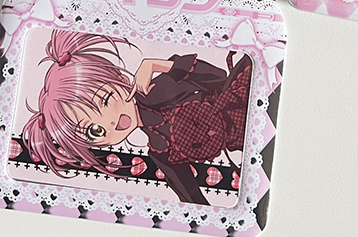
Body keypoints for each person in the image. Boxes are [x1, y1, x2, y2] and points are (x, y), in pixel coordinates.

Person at [21, 31, 252, 205]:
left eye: (106, 99)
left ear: (121, 78)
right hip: (247, 145)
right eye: (94, 131)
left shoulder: (159, 90)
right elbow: (191, 197)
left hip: (245, 96)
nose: (110, 122)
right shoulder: (160, 150)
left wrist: (160, 65)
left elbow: (217, 77)